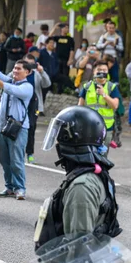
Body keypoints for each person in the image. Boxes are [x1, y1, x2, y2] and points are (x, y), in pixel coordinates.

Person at [34, 106, 121, 250]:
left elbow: (79, 250)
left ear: (73, 140)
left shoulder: (82, 186)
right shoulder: (92, 175)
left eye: (60, 137)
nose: (57, 142)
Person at [0, 58, 33, 200]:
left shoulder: (27, 87)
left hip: (18, 129)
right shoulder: (8, 80)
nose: (15, 71)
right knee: (4, 159)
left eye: (19, 69)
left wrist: (0, 82)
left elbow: (12, 89)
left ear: (27, 72)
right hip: (2, 126)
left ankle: (20, 188)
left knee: (16, 160)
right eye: (14, 68)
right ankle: (9, 187)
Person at [78, 61, 120, 148]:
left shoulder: (112, 87)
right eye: (99, 70)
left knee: (102, 156)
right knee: (88, 153)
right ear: (94, 71)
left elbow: (115, 105)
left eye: (104, 70)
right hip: (89, 126)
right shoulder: (86, 86)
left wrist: (104, 94)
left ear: (108, 71)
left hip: (106, 127)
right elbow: (80, 107)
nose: (102, 72)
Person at [23, 54, 51, 163]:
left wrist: (42, 71)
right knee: (17, 129)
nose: (29, 66)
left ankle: (30, 153)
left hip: (34, 106)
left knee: (31, 128)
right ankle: (18, 152)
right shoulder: (18, 72)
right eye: (27, 63)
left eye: (32, 63)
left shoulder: (36, 74)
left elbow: (47, 84)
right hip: (20, 105)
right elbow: (7, 79)